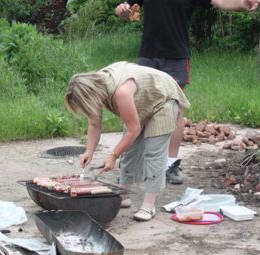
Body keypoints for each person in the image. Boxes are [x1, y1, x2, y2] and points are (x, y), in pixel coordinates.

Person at [115, 0, 260, 184]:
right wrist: (121, 12)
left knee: (173, 110)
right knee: (139, 109)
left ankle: (171, 164)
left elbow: (220, 1)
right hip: (147, 57)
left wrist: (242, 4)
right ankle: (135, 167)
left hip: (176, 56)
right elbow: (128, 12)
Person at [65, 61, 190, 221]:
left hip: (162, 98)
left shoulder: (121, 92)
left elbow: (133, 130)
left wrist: (113, 155)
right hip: (142, 100)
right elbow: (94, 124)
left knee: (154, 153)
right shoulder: (96, 89)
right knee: (130, 152)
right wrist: (89, 150)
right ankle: (123, 196)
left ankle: (148, 206)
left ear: (90, 94)